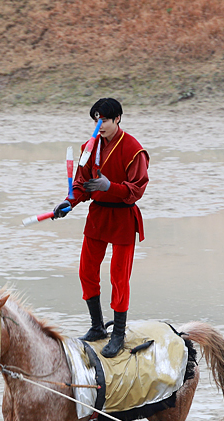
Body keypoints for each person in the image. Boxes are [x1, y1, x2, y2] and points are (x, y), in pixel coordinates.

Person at [51, 97, 149, 358]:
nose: (99, 124)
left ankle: (117, 333)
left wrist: (111, 187)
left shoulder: (133, 149)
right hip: (98, 215)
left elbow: (136, 189)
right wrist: (68, 202)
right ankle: (97, 327)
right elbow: (81, 184)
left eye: (104, 119)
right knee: (86, 270)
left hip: (122, 217)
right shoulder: (89, 147)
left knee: (119, 276)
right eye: (96, 119)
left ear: (117, 119)